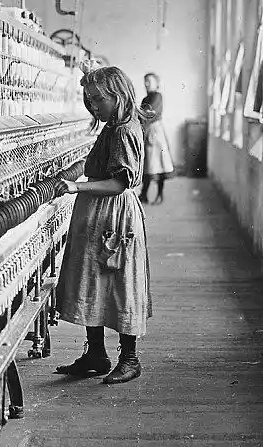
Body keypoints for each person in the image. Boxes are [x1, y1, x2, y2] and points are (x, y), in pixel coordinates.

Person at [54, 65, 153, 384]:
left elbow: (119, 183)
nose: (92, 105)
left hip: (114, 215)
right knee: (93, 282)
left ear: (119, 95)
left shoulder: (124, 129)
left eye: (98, 99)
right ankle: (96, 354)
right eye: (88, 99)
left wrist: (76, 186)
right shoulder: (114, 126)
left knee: (120, 285)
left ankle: (130, 359)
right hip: (99, 215)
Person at [139, 73, 175, 204]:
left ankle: (159, 194)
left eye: (149, 81)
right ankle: (144, 194)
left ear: (156, 83)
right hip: (148, 131)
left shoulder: (157, 96)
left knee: (159, 164)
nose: (146, 84)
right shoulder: (145, 98)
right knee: (149, 164)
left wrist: (139, 115)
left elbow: (149, 113)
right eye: (145, 81)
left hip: (155, 133)